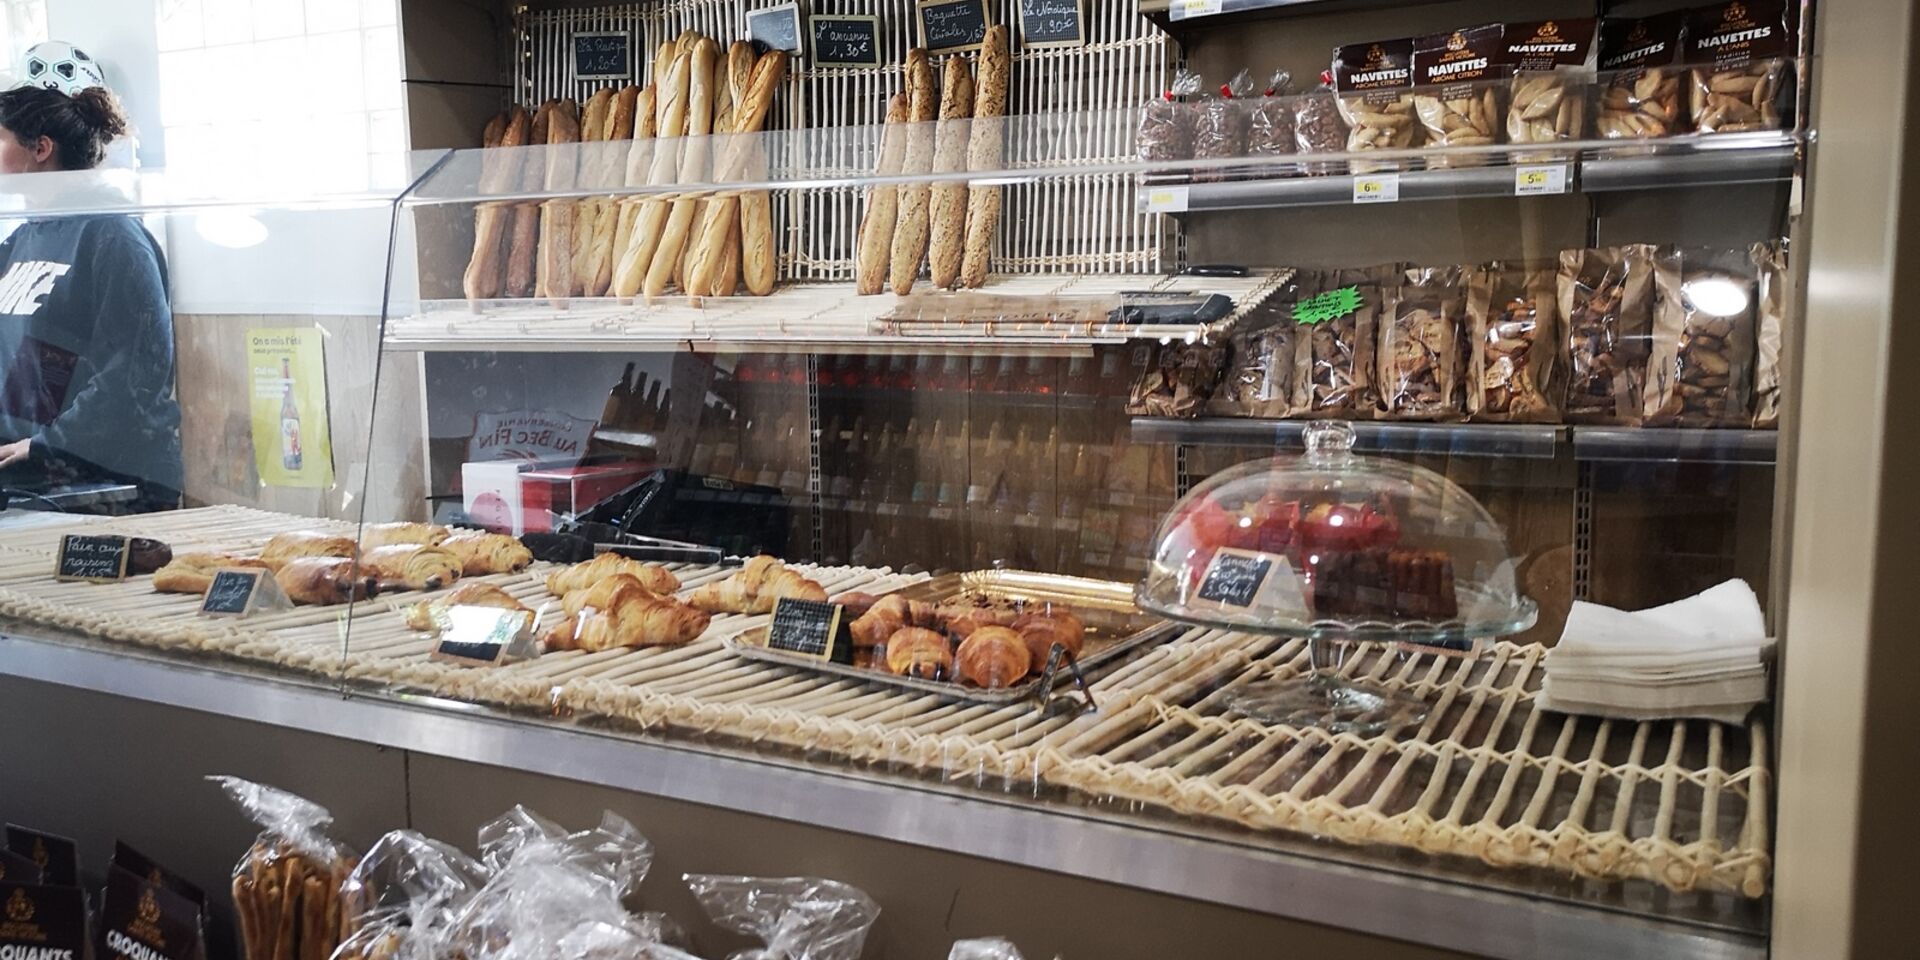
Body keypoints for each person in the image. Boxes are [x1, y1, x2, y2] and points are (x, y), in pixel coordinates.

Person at [0, 85, 181, 512]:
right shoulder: (22, 239)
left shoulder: (114, 235)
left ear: (41, 149)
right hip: (28, 473)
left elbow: (134, 374)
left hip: (107, 479)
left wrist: (48, 443)